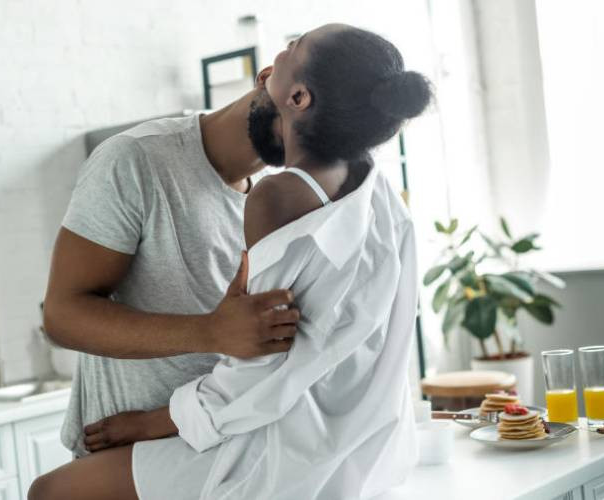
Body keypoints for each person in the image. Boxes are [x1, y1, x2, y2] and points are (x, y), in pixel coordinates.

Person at [31, 23, 431, 500]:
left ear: (296, 96)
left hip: (232, 447)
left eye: (292, 47)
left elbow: (273, 363)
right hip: (167, 446)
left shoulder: (291, 200)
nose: (280, 54)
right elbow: (61, 317)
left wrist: (163, 417)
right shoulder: (136, 161)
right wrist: (209, 332)